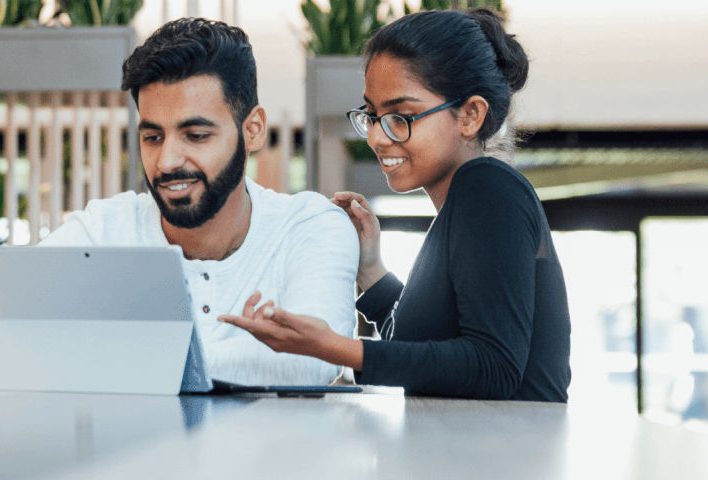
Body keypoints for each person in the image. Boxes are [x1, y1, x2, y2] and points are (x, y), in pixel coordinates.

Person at [0, 18, 359, 387]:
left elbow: (312, 363)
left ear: (253, 130)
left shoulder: (311, 224)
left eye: (197, 135)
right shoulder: (104, 229)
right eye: (152, 136)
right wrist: (24, 339)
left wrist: (89, 354)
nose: (167, 161)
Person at [220, 8, 571, 402]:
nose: (377, 138)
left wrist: (330, 346)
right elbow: (422, 349)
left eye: (401, 116)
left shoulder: (487, 186)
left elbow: (492, 367)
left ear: (470, 115)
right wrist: (371, 269)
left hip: (504, 458)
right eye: (372, 116)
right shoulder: (463, 205)